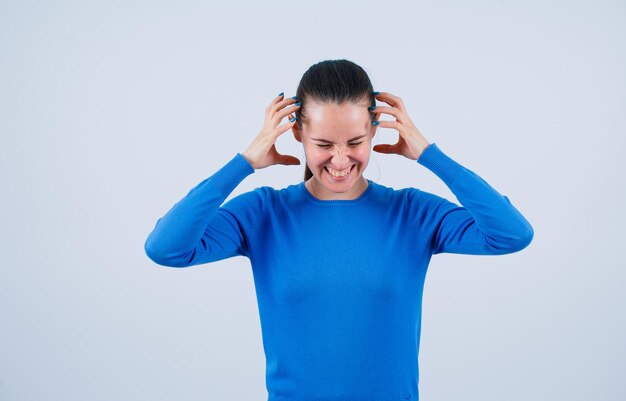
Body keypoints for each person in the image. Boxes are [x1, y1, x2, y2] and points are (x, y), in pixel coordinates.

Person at [144, 59, 534, 401]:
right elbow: (166, 248)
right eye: (324, 143)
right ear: (297, 134)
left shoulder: (412, 212)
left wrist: (430, 155)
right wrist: (244, 162)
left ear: (375, 132)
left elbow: (511, 235)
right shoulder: (264, 213)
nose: (341, 159)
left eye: (355, 142)